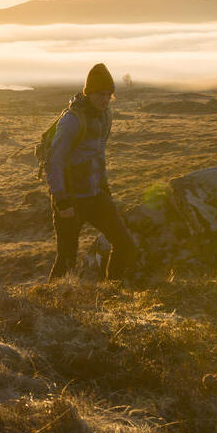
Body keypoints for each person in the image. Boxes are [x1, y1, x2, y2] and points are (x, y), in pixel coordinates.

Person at [45, 63, 137, 281]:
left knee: (125, 245)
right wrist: (62, 201)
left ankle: (112, 293)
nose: (105, 99)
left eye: (108, 94)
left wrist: (104, 188)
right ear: (89, 93)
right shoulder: (72, 121)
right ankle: (47, 303)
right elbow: (53, 162)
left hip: (96, 195)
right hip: (71, 200)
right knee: (66, 259)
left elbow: (99, 155)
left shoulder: (105, 116)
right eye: (99, 94)